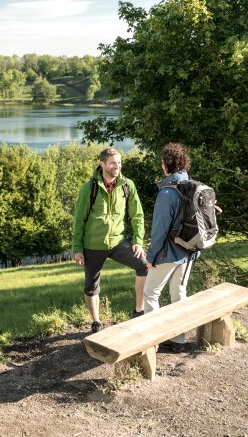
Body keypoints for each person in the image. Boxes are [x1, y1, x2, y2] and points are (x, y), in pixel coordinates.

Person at [73, 147, 148, 333]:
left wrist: (138, 240)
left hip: (117, 242)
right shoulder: (88, 188)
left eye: (120, 163)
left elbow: (137, 215)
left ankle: (139, 310)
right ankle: (96, 322)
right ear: (102, 164)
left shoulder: (127, 185)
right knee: (91, 286)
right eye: (113, 163)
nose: (117, 166)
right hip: (93, 244)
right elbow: (79, 220)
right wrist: (77, 248)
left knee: (144, 265)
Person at [144, 143, 196, 352]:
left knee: (150, 294)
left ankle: (150, 342)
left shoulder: (167, 193)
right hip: (189, 251)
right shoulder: (192, 186)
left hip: (168, 253)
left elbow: (159, 231)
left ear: (166, 164)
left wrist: (151, 257)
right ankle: (178, 340)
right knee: (179, 293)